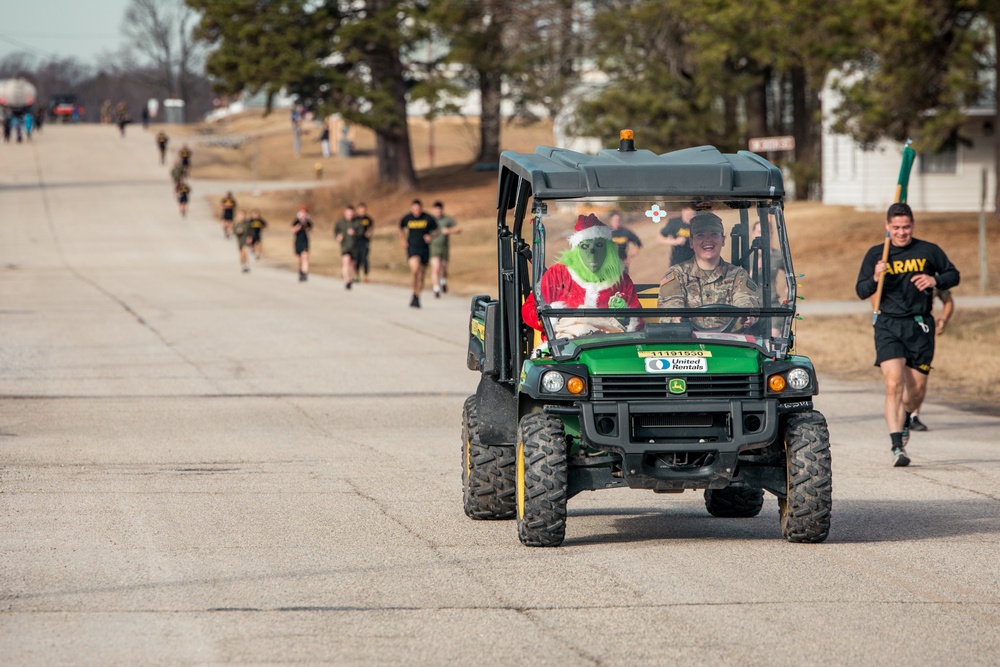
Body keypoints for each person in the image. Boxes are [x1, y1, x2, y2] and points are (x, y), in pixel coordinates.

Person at [855, 202, 960, 467]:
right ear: (887, 227)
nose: (902, 232)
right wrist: (875, 278)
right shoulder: (877, 254)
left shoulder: (928, 251)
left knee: (916, 392)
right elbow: (861, 290)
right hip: (888, 324)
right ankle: (896, 446)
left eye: (906, 227)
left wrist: (935, 280)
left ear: (912, 225)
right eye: (896, 228)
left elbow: (953, 274)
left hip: (920, 326)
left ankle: (907, 417)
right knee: (893, 384)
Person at [522, 214, 643, 339]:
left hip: (608, 346)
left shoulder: (620, 280)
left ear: (609, 249)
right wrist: (551, 315)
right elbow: (529, 309)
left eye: (599, 245)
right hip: (564, 348)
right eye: (585, 246)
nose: (593, 253)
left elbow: (637, 320)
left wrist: (624, 316)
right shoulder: (557, 275)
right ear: (576, 250)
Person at [657, 211, 759, 331]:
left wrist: (747, 313)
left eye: (714, 235)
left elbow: (746, 300)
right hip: (688, 344)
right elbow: (671, 307)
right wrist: (676, 318)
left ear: (723, 240)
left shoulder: (737, 275)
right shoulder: (676, 274)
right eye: (700, 235)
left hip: (727, 344)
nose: (708, 240)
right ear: (691, 242)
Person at [903, 288, 956, 433]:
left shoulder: (933, 276)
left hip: (922, 327)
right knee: (899, 374)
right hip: (896, 326)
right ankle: (900, 412)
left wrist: (943, 320)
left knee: (919, 376)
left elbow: (948, 301)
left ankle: (913, 415)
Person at [398, 199, 438, 308]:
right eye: (414, 209)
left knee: (421, 274)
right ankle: (413, 292)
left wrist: (431, 237)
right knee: (415, 269)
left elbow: (436, 230)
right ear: (411, 208)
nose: (416, 211)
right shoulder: (407, 218)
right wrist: (402, 240)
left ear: (421, 208)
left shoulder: (428, 218)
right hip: (412, 248)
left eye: (418, 209)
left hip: (424, 249)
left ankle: (417, 296)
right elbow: (400, 228)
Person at [429, 201, 462, 297]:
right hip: (433, 247)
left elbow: (459, 228)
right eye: (436, 209)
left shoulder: (447, 219)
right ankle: (436, 289)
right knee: (435, 268)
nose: (438, 211)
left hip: (444, 248)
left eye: (440, 209)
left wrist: (449, 231)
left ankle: (443, 281)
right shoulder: (430, 220)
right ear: (434, 209)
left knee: (444, 268)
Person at [334, 204, 363, 289]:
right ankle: (346, 280)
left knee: (352, 264)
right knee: (346, 261)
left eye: (351, 214)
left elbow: (361, 233)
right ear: (345, 213)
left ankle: (350, 279)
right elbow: (336, 231)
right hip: (345, 245)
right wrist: (338, 236)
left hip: (355, 246)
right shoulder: (340, 222)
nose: (349, 216)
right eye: (348, 214)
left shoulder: (357, 222)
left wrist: (355, 233)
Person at [292, 205, 313, 281]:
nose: (303, 215)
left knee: (305, 256)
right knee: (299, 258)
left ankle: (305, 273)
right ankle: (300, 271)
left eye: (305, 213)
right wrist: (297, 228)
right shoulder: (296, 222)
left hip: (305, 241)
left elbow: (310, 231)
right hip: (298, 241)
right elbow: (292, 231)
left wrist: (308, 231)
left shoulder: (308, 223)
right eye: (302, 213)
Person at [356, 202, 374, 283]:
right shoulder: (355, 219)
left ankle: (365, 276)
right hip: (356, 241)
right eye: (361, 210)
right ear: (358, 210)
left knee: (365, 258)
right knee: (357, 258)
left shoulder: (368, 219)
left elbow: (371, 228)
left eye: (364, 210)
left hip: (365, 241)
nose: (362, 211)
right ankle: (356, 275)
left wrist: (369, 233)